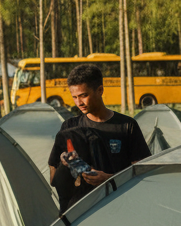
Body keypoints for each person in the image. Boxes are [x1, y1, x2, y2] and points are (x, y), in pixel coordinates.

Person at [48, 62, 150, 212]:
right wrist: (64, 163)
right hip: (81, 212)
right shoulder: (70, 128)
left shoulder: (127, 126)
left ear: (100, 90)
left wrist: (109, 179)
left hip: (120, 208)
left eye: (83, 96)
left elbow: (142, 174)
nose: (79, 103)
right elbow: (53, 179)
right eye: (74, 97)